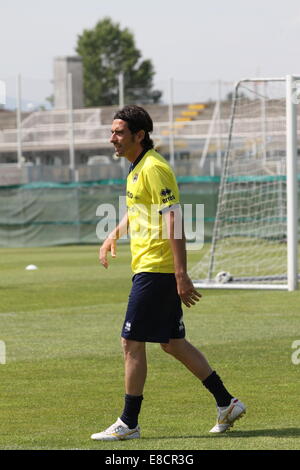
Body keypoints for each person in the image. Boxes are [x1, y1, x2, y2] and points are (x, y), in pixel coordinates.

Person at [91, 105, 245, 441]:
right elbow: (137, 210)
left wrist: (181, 274)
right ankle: (226, 402)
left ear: (139, 135)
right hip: (151, 268)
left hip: (156, 269)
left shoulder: (155, 167)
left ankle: (128, 422)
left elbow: (173, 219)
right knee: (172, 343)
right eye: (112, 131)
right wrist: (113, 235)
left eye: (118, 132)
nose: (112, 138)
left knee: (131, 342)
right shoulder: (136, 169)